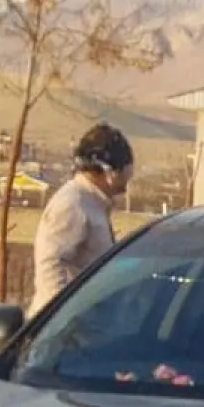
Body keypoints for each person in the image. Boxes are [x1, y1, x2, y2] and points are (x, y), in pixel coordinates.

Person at [29, 122, 133, 316]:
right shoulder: (73, 204)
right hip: (66, 333)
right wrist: (60, 319)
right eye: (124, 174)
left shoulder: (93, 203)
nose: (125, 186)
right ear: (110, 172)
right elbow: (51, 265)